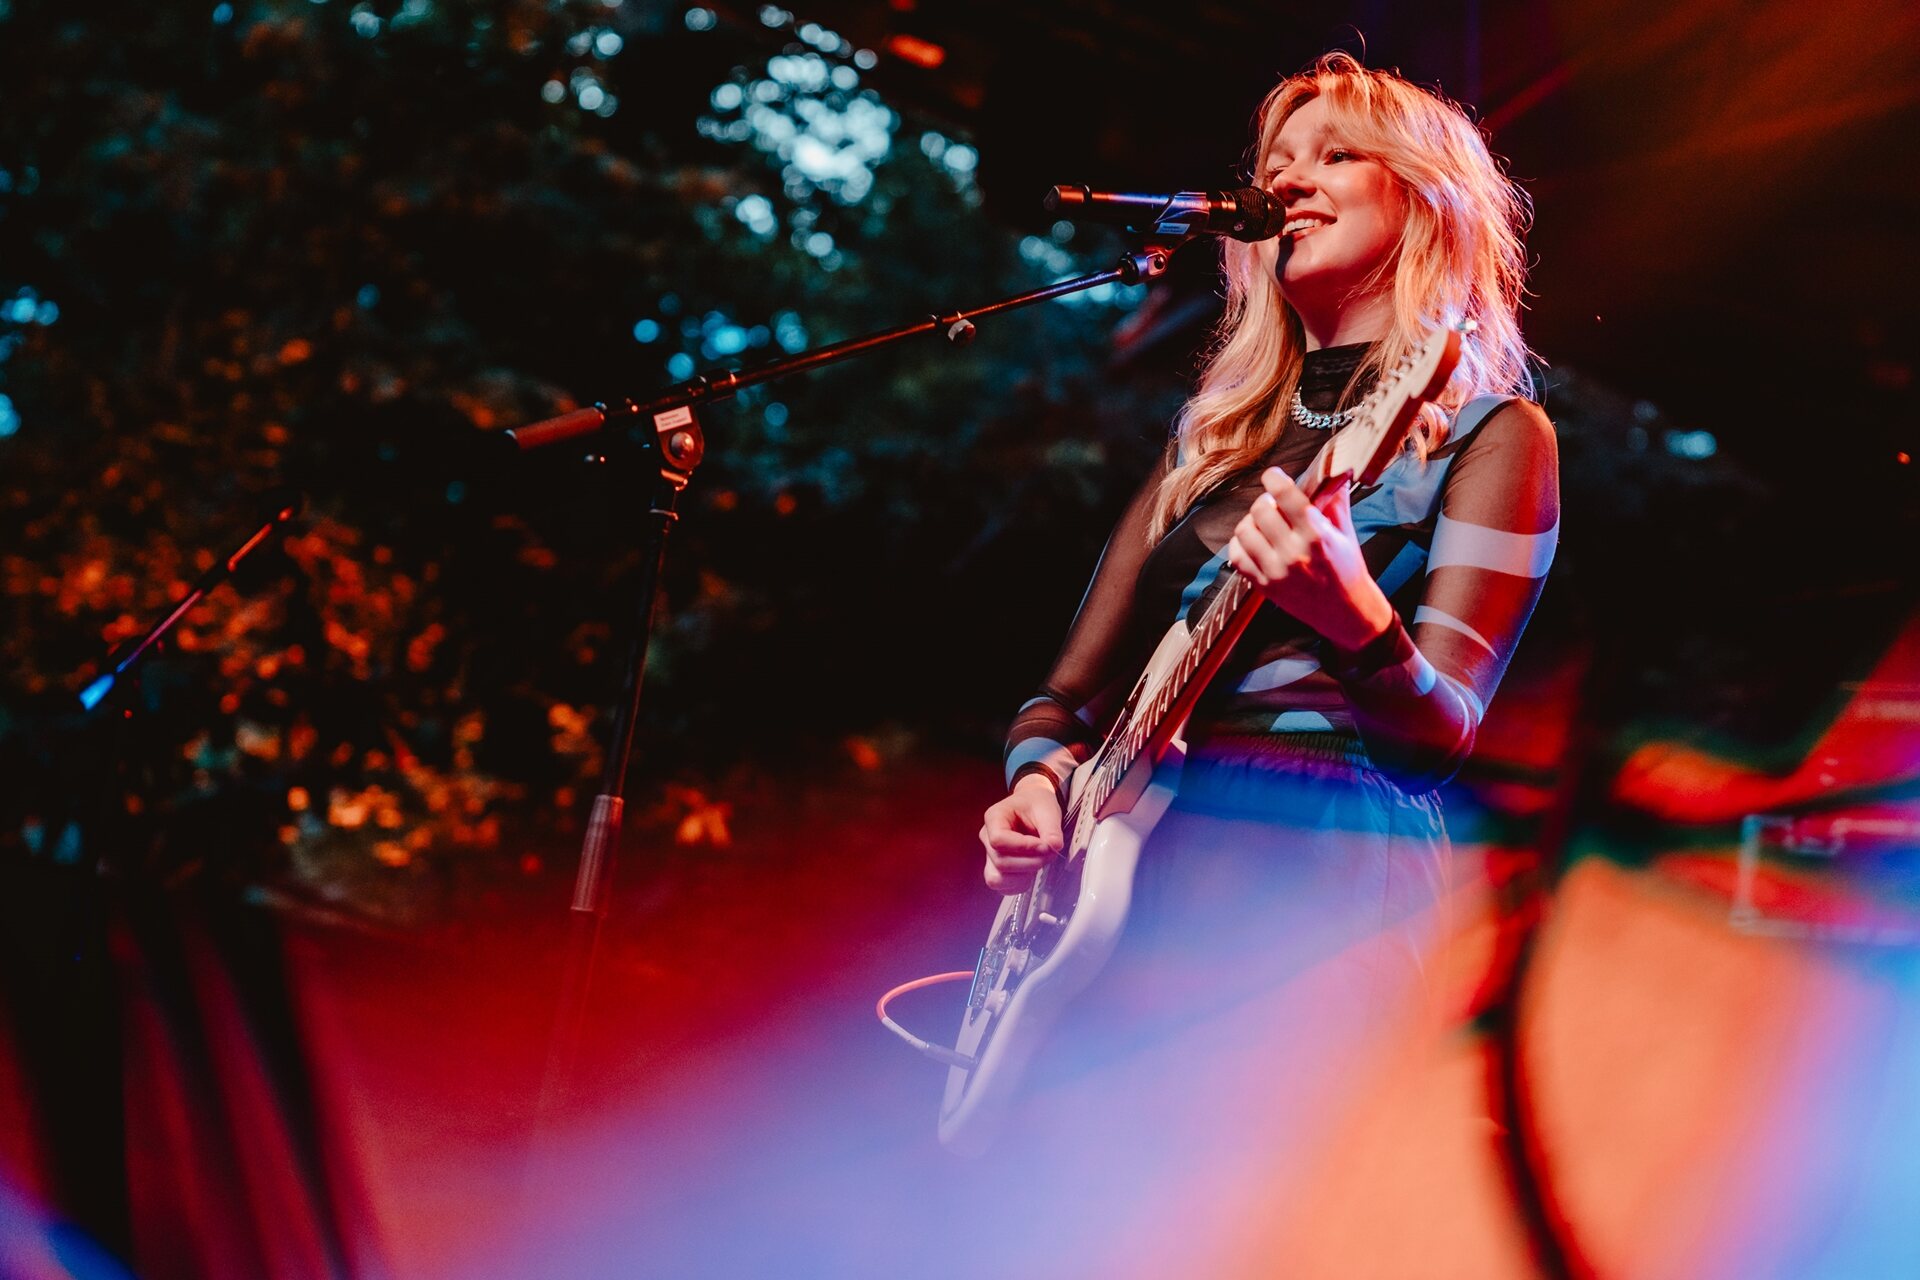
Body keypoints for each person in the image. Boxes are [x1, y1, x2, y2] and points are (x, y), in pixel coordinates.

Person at [975, 53, 1561, 1112]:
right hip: (1146, 869)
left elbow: (1440, 741)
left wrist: (1355, 618)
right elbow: (1062, 700)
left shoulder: (1490, 435)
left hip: (1321, 865)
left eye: (1335, 156)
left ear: (1425, 200)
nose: (1287, 180)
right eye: (1277, 162)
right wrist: (1035, 784)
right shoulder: (1209, 443)